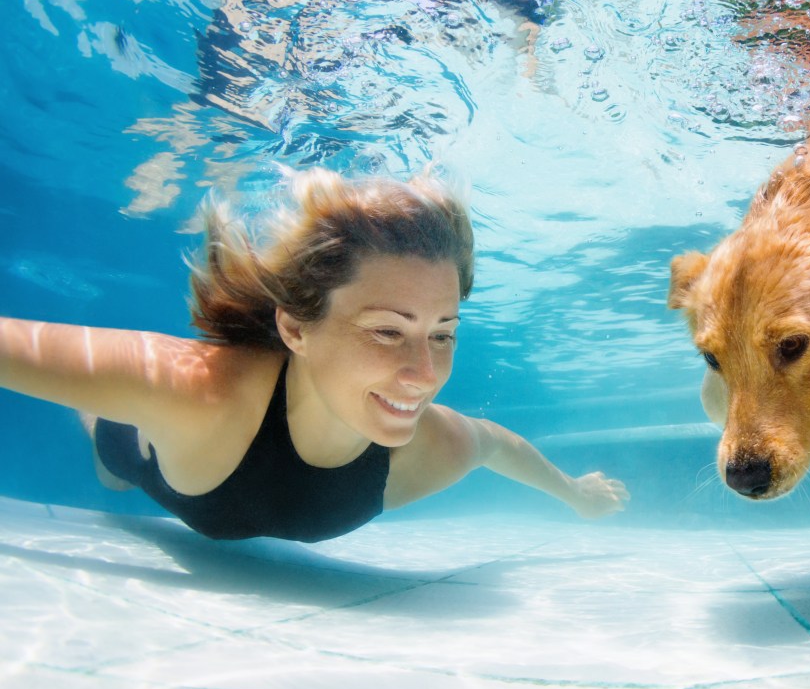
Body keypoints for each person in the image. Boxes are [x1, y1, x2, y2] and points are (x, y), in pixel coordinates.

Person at [0, 168, 628, 541]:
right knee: (111, 464)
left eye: (442, 334)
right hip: (141, 445)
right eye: (387, 331)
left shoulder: (431, 448)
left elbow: (494, 441)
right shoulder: (199, 389)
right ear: (295, 329)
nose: (425, 375)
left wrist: (575, 492)